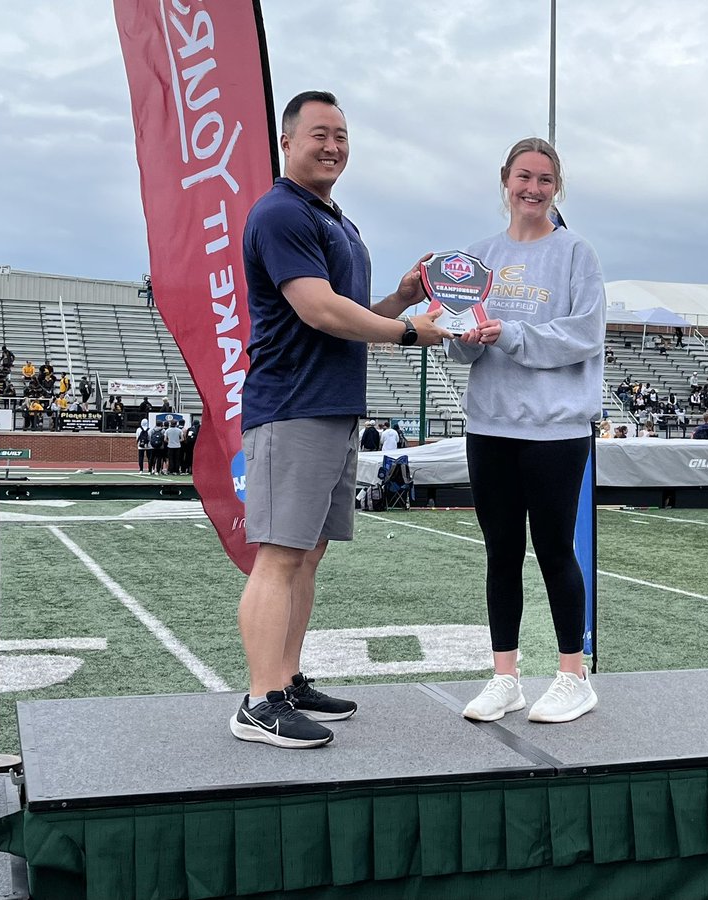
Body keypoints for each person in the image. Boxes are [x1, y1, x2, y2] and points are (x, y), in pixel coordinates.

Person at [230, 90, 449, 749]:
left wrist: (401, 300)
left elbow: (349, 315)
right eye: (320, 133)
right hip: (292, 405)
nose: (333, 146)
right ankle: (259, 700)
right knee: (278, 553)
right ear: (287, 142)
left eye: (343, 136)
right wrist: (408, 332)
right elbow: (319, 312)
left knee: (309, 552)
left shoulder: (336, 222)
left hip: (329, 405)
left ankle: (287, 679)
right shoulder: (279, 213)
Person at [446, 136, 604, 726]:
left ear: (556, 187)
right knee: (500, 552)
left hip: (555, 430)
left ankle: (572, 675)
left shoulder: (576, 255)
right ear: (504, 180)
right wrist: (462, 337)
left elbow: (582, 336)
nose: (532, 189)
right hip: (489, 425)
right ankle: (505, 676)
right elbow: (463, 347)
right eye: (523, 177)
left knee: (555, 550)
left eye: (544, 179)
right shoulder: (478, 256)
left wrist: (509, 333)